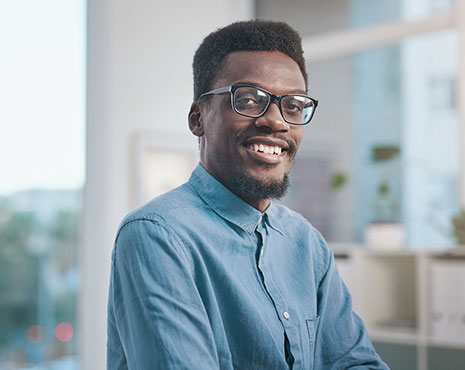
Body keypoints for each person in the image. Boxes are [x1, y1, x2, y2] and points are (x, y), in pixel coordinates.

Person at [107, 20, 389, 370]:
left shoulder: (306, 243)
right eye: (249, 100)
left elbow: (356, 363)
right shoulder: (157, 235)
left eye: (293, 106)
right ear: (198, 118)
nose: (277, 122)